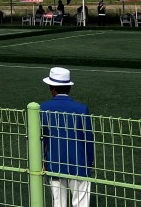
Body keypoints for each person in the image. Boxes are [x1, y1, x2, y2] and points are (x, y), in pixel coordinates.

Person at [40, 67, 94, 207]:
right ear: (69, 88)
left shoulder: (43, 108)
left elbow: (41, 138)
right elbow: (88, 138)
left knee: (58, 203)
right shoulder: (82, 109)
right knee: (81, 203)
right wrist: (90, 161)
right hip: (79, 163)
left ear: (52, 88)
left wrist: (41, 161)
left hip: (54, 163)